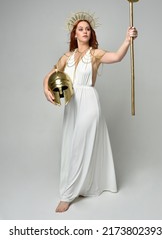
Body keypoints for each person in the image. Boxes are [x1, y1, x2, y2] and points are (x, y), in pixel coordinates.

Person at [43, 12, 138, 213]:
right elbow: (50, 75)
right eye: (80, 29)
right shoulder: (66, 57)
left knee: (79, 144)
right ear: (75, 34)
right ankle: (83, 185)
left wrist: (127, 39)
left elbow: (117, 57)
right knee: (71, 145)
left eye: (87, 28)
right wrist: (46, 89)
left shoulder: (95, 54)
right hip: (71, 104)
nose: (84, 31)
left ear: (91, 33)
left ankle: (67, 195)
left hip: (89, 103)